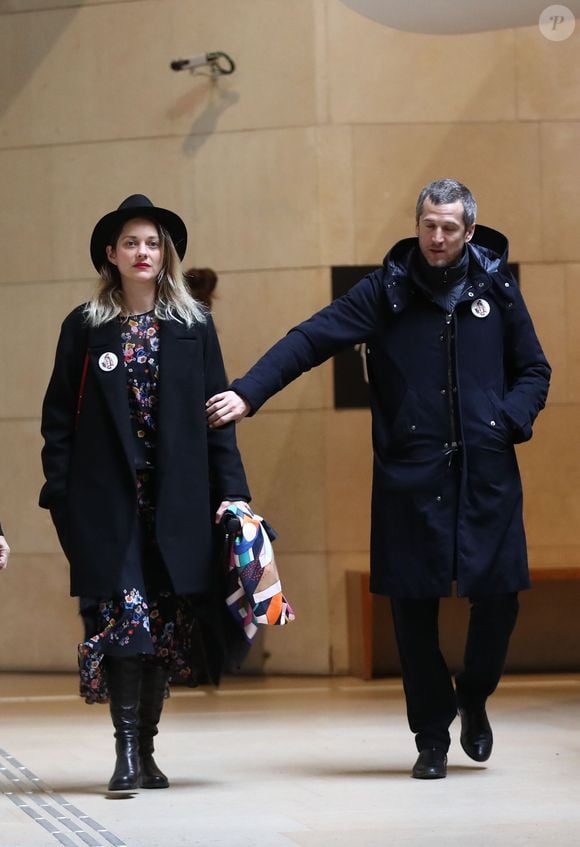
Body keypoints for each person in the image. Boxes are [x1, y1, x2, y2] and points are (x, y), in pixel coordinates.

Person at [206, 179, 551, 780]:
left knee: (498, 601)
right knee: (410, 610)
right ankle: (431, 737)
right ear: (417, 224)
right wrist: (247, 392)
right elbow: (309, 339)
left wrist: (507, 419)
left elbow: (534, 369)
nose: (437, 237)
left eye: (449, 227)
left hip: (486, 475)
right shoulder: (384, 291)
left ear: (469, 231)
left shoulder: (496, 286)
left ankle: (472, 691)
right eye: (428, 225)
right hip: (409, 476)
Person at [39, 194, 250, 792]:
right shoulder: (84, 326)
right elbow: (58, 421)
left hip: (178, 503)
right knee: (125, 623)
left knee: (164, 628)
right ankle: (126, 753)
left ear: (166, 255)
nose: (142, 252)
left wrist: (234, 497)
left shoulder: (193, 326)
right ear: (110, 254)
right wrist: (60, 494)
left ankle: (148, 750)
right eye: (130, 242)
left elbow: (217, 419)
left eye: (152, 243)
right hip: (108, 506)